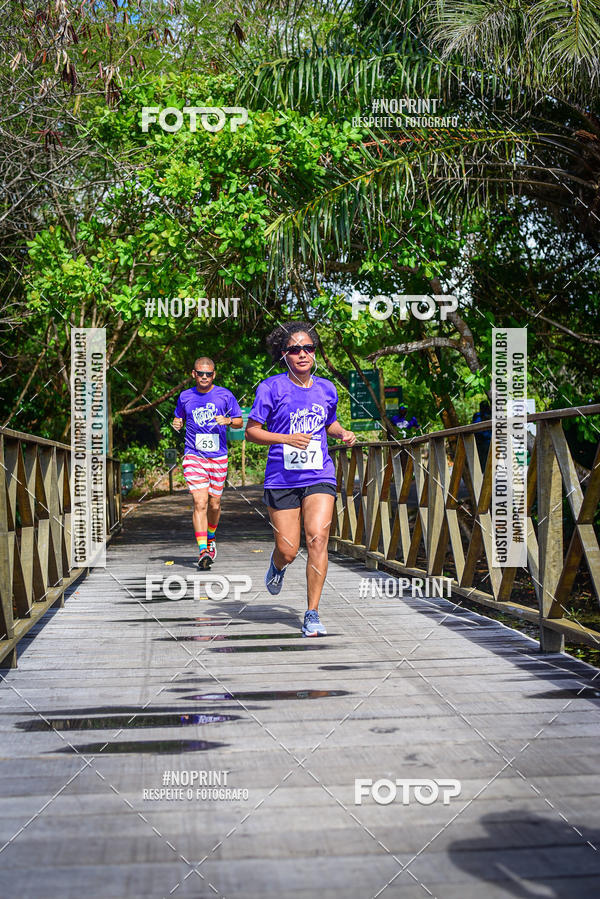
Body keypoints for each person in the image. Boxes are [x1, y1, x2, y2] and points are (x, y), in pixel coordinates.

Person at [245, 322, 356, 636]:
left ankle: (312, 613)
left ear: (315, 352)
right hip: (282, 477)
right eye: (295, 349)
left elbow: (329, 422)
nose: (303, 354)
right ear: (285, 355)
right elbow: (252, 431)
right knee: (290, 549)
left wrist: (342, 432)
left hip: (319, 473)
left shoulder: (327, 389)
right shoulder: (271, 388)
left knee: (318, 538)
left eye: (308, 348)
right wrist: (285, 439)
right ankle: (278, 564)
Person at [173, 357, 243, 569]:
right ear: (193, 374)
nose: (204, 377)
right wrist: (177, 423)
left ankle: (211, 537)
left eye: (209, 374)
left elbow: (239, 421)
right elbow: (179, 418)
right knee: (200, 502)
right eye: (200, 373)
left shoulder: (225, 395)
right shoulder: (185, 396)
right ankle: (203, 549)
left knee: (214, 503)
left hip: (218, 456)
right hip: (194, 455)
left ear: (214, 374)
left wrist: (228, 420)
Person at [472, 400, 492, 468]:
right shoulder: (491, 415)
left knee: (482, 461)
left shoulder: (477, 415)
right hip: (487, 441)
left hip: (481, 442)